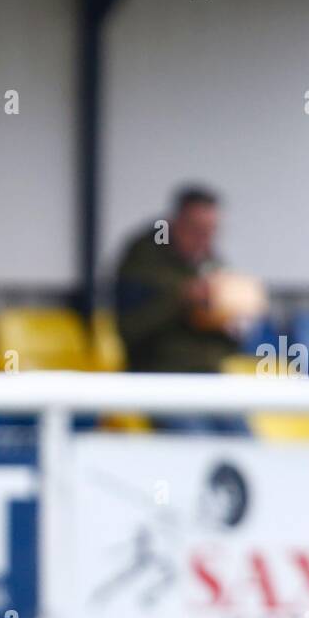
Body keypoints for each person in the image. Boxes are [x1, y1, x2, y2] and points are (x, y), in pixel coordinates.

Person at [115, 185, 246, 433]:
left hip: (208, 376)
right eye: (196, 230)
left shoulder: (210, 262)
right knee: (196, 444)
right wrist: (183, 298)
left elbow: (231, 342)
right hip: (157, 375)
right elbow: (129, 328)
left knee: (246, 444)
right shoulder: (144, 258)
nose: (204, 240)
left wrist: (232, 323)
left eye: (211, 231)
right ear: (175, 223)